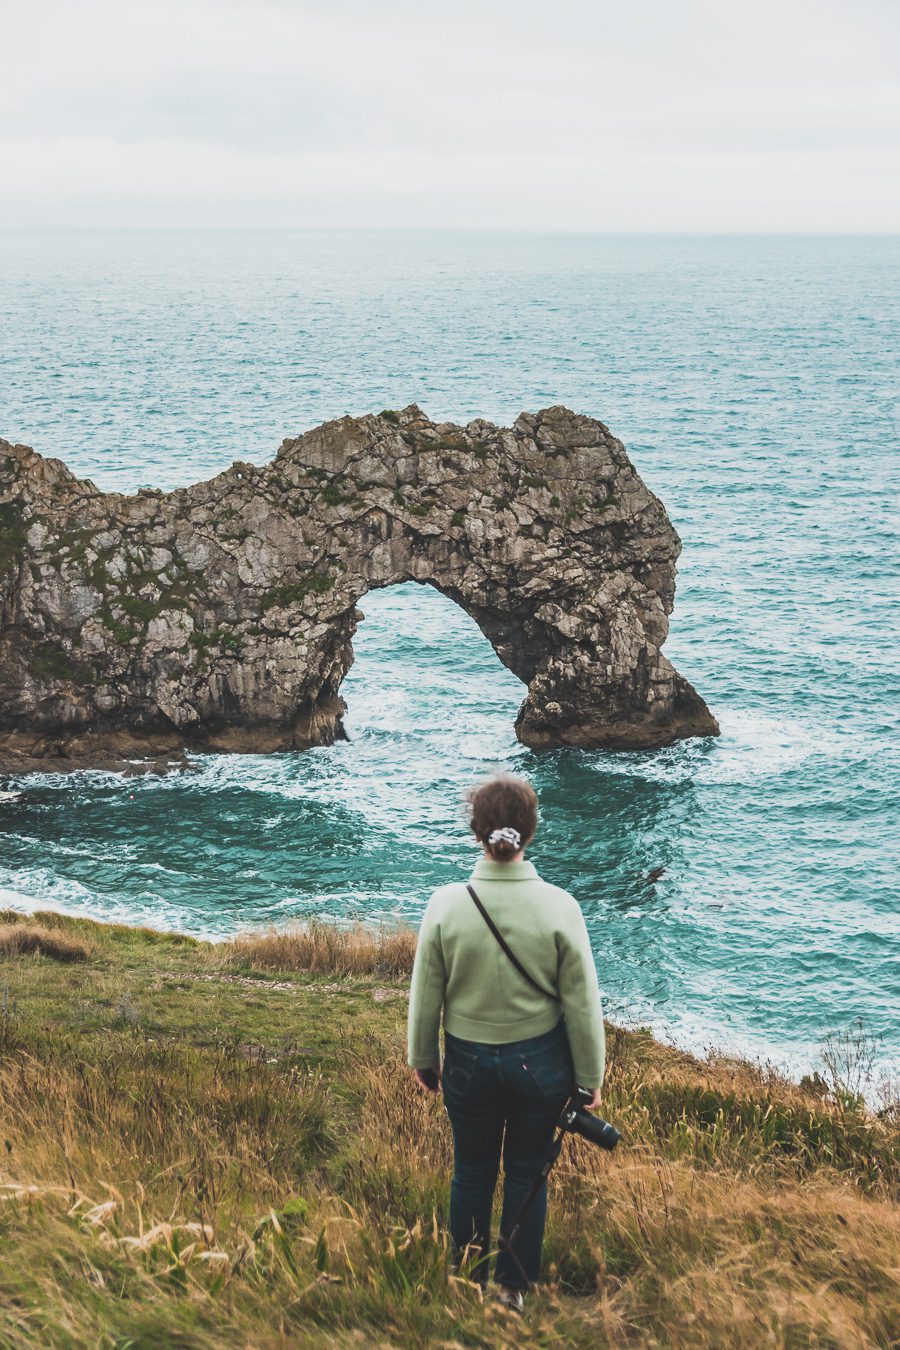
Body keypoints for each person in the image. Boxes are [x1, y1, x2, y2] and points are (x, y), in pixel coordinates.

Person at [407, 773, 605, 1312]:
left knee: (471, 1172)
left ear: (477, 834)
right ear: (530, 832)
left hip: (467, 1063)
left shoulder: (446, 904)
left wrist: (423, 1058)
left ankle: (466, 1282)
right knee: (525, 1175)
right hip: (539, 1067)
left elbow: (425, 994)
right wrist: (590, 1077)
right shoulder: (560, 906)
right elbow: (582, 1003)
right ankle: (512, 1292)